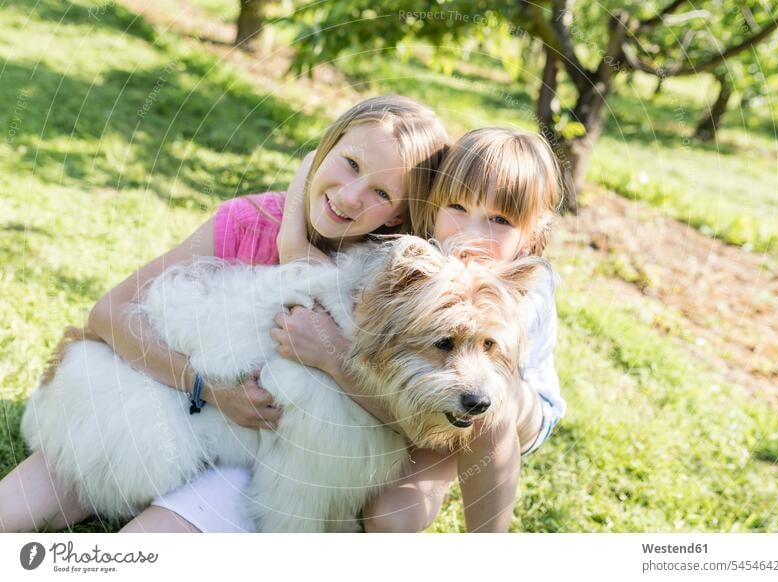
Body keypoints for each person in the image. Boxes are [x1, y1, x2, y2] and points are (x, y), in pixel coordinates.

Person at [0, 94, 449, 533]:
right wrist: (208, 389)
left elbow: (414, 423)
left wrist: (332, 354)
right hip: (175, 407)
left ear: (396, 218)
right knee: (13, 510)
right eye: (350, 164)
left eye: (381, 192)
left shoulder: (393, 283)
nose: (350, 197)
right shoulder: (250, 220)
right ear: (327, 147)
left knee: (136, 552)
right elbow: (111, 312)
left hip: (271, 465)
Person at [275, 127, 567, 532]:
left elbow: (477, 395)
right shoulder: (416, 258)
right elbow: (310, 267)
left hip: (509, 408)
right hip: (434, 407)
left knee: (488, 401)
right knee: (390, 519)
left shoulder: (523, 282)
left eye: (499, 220)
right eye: (458, 208)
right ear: (432, 205)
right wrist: (292, 222)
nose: (472, 234)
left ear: (532, 234)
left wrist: (332, 357)